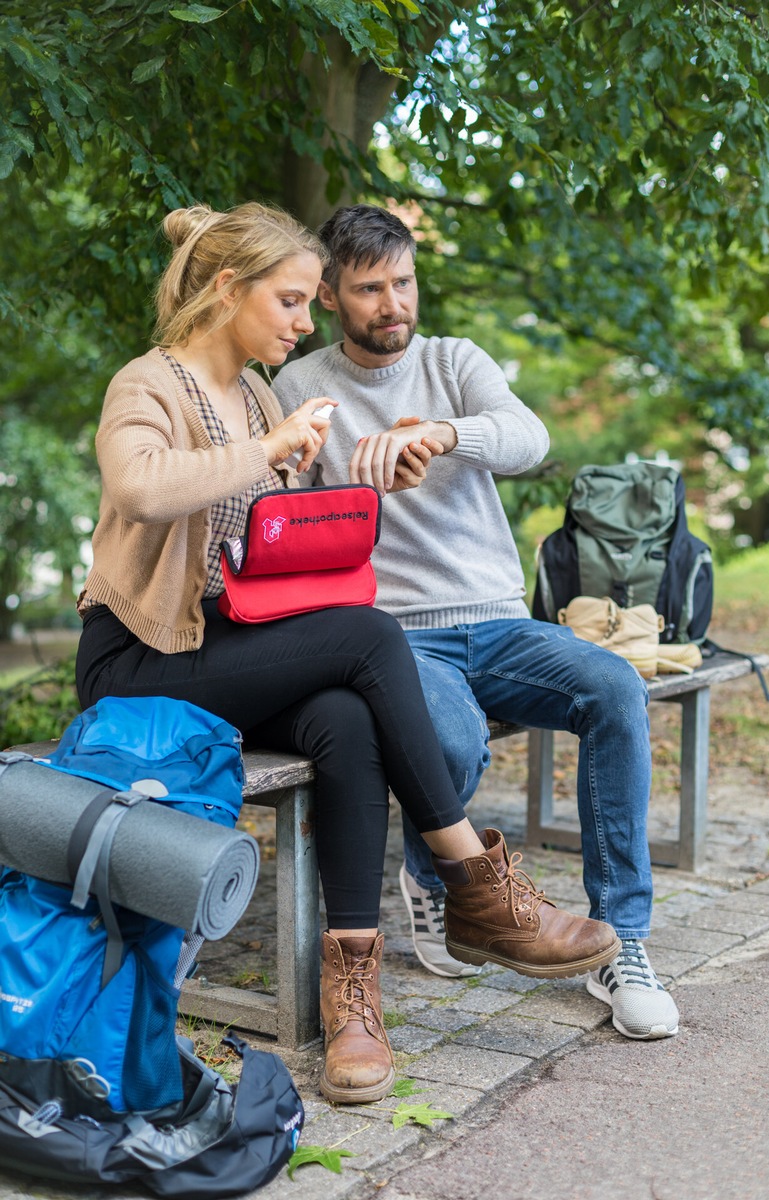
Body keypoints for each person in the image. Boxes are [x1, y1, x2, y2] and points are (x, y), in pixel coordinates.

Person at [74, 201, 621, 1107]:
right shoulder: (150, 385)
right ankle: (472, 879)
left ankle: (352, 998)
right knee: (369, 637)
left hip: (227, 646)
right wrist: (267, 453)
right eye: (290, 301)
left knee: (344, 713)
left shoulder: (254, 392)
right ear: (226, 290)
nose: (304, 319)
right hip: (138, 661)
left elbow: (260, 543)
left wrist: (336, 490)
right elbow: (139, 484)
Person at [270, 203, 681, 1042]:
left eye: (404, 283)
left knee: (611, 686)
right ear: (333, 297)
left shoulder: (455, 361)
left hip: (498, 623)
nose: (393, 304)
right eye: (370, 289)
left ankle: (624, 942)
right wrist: (335, 479)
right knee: (450, 743)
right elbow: (281, 523)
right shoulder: (300, 385)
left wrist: (450, 435)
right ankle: (442, 883)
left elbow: (528, 437)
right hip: (390, 635)